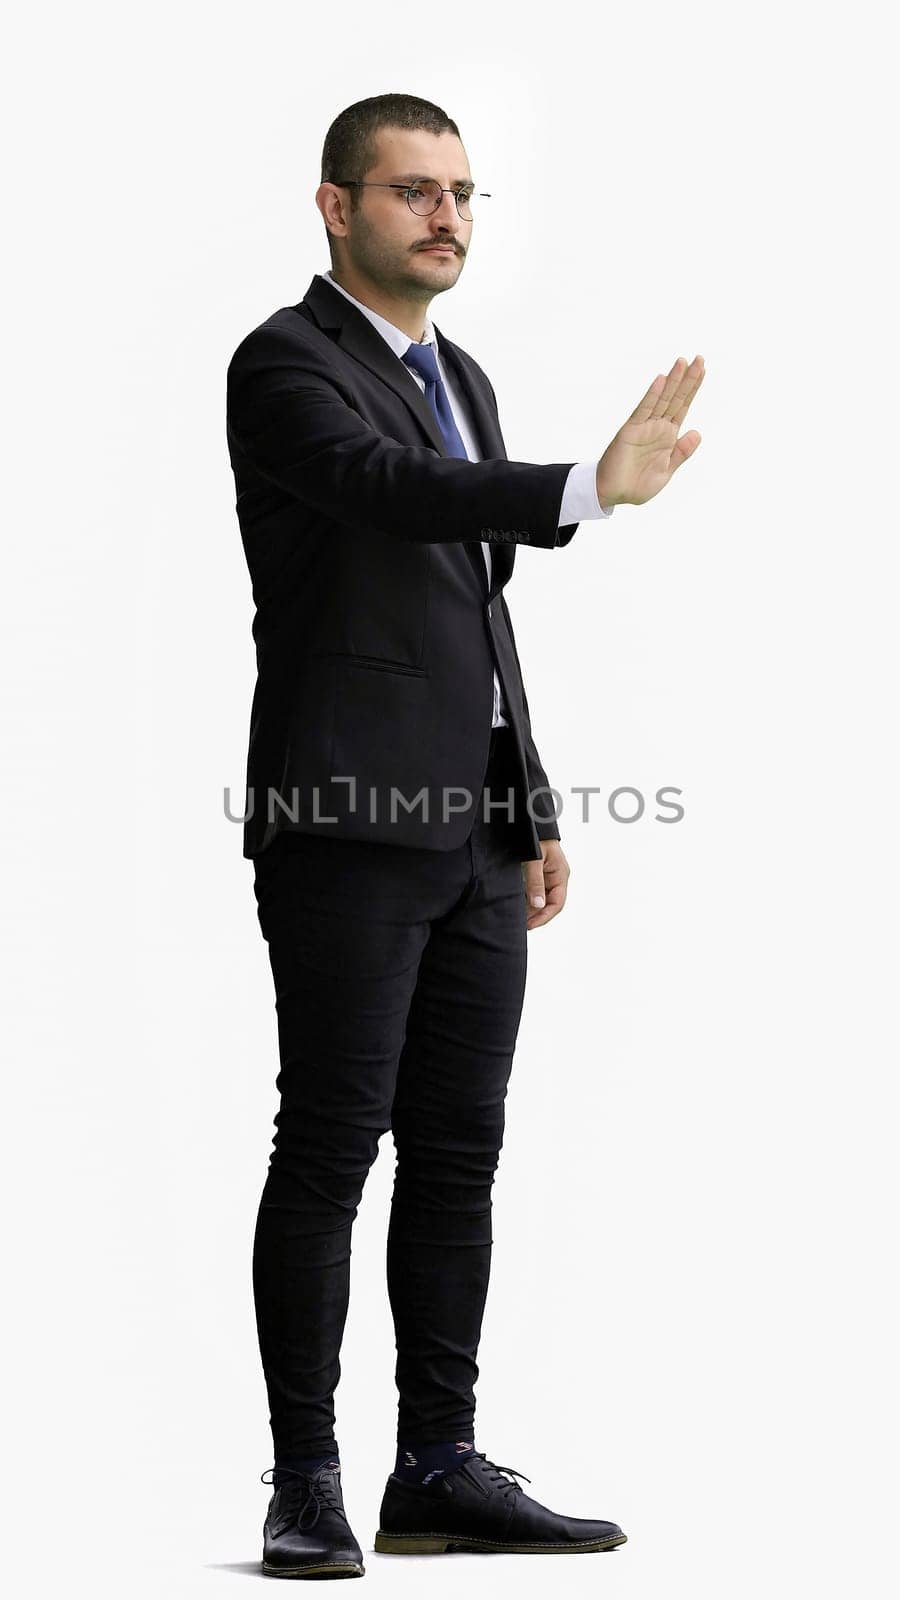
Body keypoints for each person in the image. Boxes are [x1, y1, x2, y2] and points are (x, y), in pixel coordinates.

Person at [225, 91, 704, 1578]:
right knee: (329, 1145)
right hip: (344, 815)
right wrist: (582, 489)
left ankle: (434, 1462)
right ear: (336, 207)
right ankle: (307, 1478)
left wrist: (533, 802)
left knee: (458, 1153)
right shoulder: (283, 365)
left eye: (463, 193)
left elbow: (470, 600)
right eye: (413, 190)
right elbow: (393, 495)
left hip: (473, 834)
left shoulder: (461, 373)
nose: (446, 215)